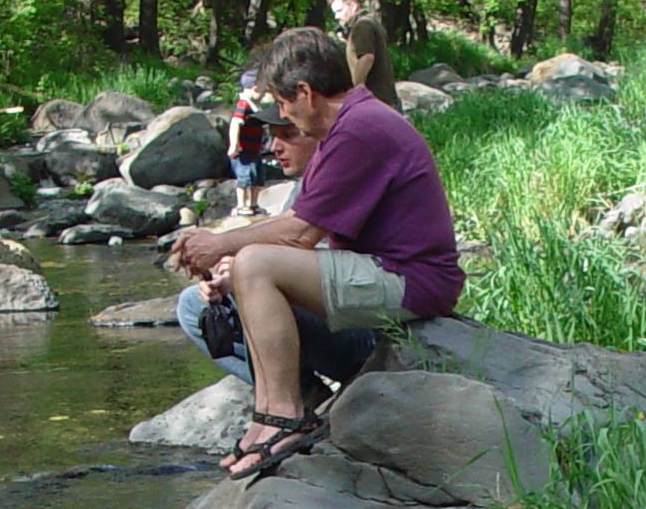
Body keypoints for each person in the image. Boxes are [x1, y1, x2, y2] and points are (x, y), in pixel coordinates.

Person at [169, 26, 464, 479]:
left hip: (413, 281)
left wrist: (219, 244)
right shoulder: (353, 125)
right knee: (243, 275)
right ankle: (271, 415)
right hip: (392, 274)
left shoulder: (360, 129)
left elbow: (301, 233)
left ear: (305, 93)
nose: (282, 118)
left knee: (254, 263)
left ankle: (285, 415)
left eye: (284, 105)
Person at [176, 102, 380, 390]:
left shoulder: (348, 175)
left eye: (288, 135)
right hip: (330, 321)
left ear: (321, 133)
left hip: (365, 333)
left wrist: (237, 263)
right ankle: (306, 395)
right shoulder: (303, 187)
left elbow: (309, 249)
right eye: (273, 136)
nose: (276, 147)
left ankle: (290, 401)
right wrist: (225, 283)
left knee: (253, 282)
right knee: (192, 306)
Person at [222, 70, 278, 219]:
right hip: (243, 151)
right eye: (262, 91)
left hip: (254, 151)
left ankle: (253, 204)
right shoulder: (243, 104)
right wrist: (234, 144)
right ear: (255, 88)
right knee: (244, 178)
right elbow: (235, 123)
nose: (263, 95)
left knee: (257, 178)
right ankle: (242, 205)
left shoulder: (254, 106)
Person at [330, 0, 399, 105]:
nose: (336, 16)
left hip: (373, 98)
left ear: (353, 6)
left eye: (339, 11)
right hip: (383, 97)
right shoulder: (371, 21)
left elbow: (367, 57)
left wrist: (355, 89)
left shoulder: (362, 25)